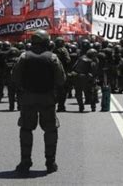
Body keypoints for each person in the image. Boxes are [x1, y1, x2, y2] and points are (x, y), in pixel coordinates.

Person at [12, 29, 65, 175]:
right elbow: (61, 79)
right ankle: (50, 162)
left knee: (26, 129)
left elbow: (15, 77)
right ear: (47, 42)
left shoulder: (24, 56)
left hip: (28, 97)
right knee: (50, 130)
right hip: (47, 97)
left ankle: (25, 162)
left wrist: (24, 87)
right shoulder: (52, 57)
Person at [71, 48, 98, 112]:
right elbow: (93, 71)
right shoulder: (91, 61)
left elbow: (74, 67)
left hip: (78, 77)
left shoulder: (80, 58)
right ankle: (93, 107)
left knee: (78, 93)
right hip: (87, 78)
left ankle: (81, 107)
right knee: (91, 93)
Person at [53, 37, 71, 112]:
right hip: (62, 72)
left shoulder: (52, 49)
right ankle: (61, 106)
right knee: (63, 90)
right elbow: (68, 60)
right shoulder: (64, 50)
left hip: (53, 73)